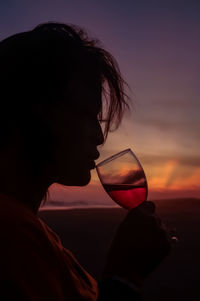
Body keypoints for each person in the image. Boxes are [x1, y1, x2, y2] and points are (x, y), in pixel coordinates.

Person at [0, 22, 171, 300]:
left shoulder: (32, 229)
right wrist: (126, 275)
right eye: (86, 114)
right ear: (35, 110)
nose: (99, 137)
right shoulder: (11, 236)